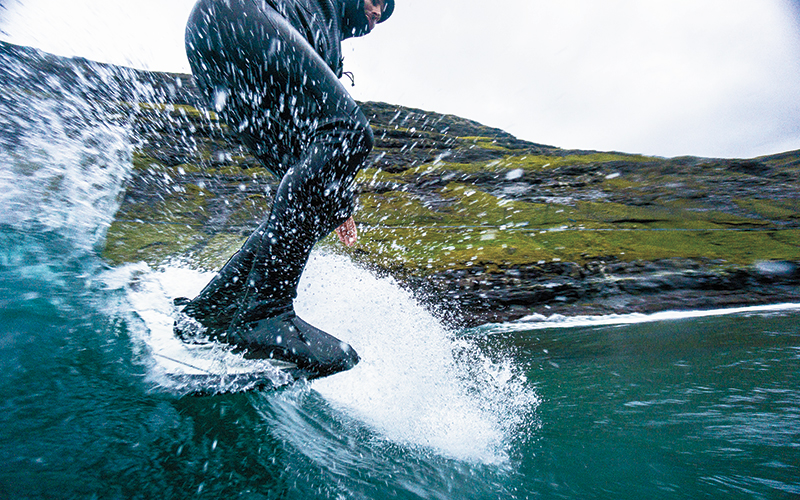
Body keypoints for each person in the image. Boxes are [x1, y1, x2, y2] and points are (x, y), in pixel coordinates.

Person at [177, 0, 394, 379]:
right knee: (352, 132)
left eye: (384, 12)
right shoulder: (316, 10)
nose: (377, 12)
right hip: (235, 16)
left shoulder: (323, 37)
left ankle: (210, 312)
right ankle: (264, 313)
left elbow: (313, 164)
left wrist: (337, 204)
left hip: (220, 58)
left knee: (322, 198)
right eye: (376, 1)